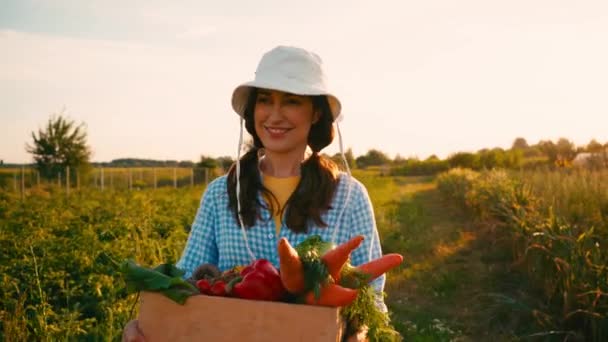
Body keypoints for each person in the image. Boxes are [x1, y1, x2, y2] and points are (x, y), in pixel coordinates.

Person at [123, 45, 385, 342]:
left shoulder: (349, 196)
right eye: (264, 100)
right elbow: (187, 279)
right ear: (253, 110)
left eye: (291, 101)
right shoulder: (221, 194)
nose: (274, 115)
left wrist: (359, 335)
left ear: (315, 113)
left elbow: (370, 295)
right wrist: (143, 324)